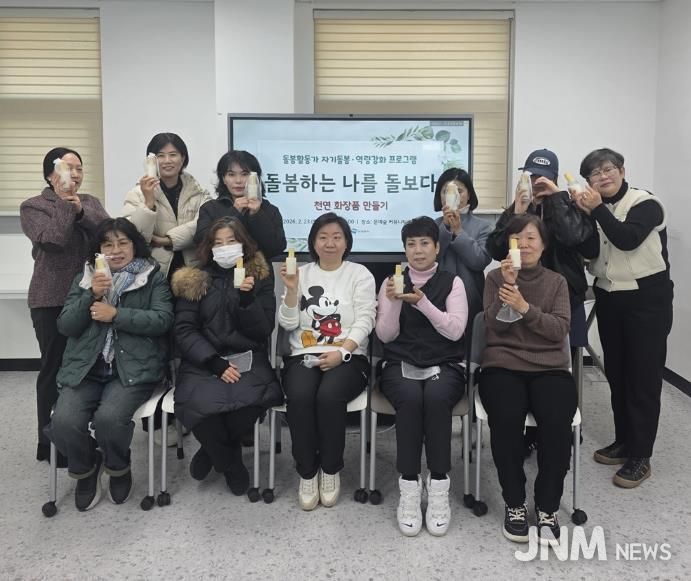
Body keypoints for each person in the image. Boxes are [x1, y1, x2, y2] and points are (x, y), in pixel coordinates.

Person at [46, 218, 173, 511]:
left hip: (132, 370)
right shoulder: (85, 278)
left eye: (122, 243)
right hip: (86, 369)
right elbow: (66, 325)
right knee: (63, 422)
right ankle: (87, 468)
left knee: (109, 419)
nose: (115, 251)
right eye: (108, 245)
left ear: (134, 246)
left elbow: (163, 320)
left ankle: (118, 468)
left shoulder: (152, 277)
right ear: (99, 250)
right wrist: (90, 295)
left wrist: (116, 314)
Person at [486, 149, 594, 456]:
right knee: (516, 370)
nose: (537, 182)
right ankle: (524, 432)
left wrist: (557, 198)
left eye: (543, 177)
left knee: (561, 361)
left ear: (554, 178)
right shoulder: (518, 209)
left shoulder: (568, 204)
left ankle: (556, 426)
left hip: (561, 294)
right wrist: (516, 211)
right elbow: (495, 249)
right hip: (517, 293)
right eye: (532, 175)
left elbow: (574, 238)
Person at [575, 148, 673, 489]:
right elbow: (591, 251)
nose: (603, 176)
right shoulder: (594, 209)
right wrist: (583, 217)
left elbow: (627, 239)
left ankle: (641, 455)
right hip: (609, 296)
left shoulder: (646, 203)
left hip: (647, 299)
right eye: (595, 173)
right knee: (617, 374)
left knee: (642, 378)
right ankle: (624, 441)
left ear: (621, 170)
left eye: (608, 169)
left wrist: (596, 210)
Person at [479, 213, 576, 545]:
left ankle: (547, 507)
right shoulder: (495, 278)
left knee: (557, 426)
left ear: (544, 244)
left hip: (550, 368)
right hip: (502, 365)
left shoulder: (557, 282)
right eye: (517, 238)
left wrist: (524, 307)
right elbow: (493, 326)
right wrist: (509, 288)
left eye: (531, 237)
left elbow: (558, 330)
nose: (524, 244)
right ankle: (515, 503)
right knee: (506, 422)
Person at [171, 217, 282, 495]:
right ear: (209, 248)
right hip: (203, 361)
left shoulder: (259, 276)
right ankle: (229, 462)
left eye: (231, 241)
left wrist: (247, 300)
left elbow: (263, 331)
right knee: (198, 405)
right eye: (218, 243)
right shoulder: (194, 279)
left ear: (243, 244)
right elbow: (184, 330)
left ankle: (211, 450)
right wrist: (213, 362)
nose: (225, 247)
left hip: (248, 356)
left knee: (252, 401)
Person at [375, 216, 468, 537]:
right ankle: (410, 485)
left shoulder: (453, 283)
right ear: (404, 249)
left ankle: (439, 484)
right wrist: (393, 303)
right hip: (399, 362)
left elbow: (455, 331)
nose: (417, 250)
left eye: (424, 243)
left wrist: (423, 303)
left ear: (437, 247)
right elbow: (385, 336)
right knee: (411, 398)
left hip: (445, 362)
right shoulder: (392, 282)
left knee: (438, 397)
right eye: (411, 244)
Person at [278, 212, 375, 511]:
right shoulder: (300, 273)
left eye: (336, 237)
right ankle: (307, 472)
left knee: (329, 396)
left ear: (346, 242)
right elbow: (287, 323)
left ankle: (330, 469)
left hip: (349, 356)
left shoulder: (360, 274)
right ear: (313, 242)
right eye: (323, 237)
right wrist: (291, 290)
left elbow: (366, 319)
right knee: (300, 395)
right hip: (303, 354)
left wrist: (342, 352)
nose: (329, 243)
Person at [20, 147, 109, 466]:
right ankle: (48, 442)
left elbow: (107, 235)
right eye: (66, 168)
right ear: (50, 175)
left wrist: (80, 210)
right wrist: (63, 203)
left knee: (87, 367)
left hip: (89, 295)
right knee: (53, 368)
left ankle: (80, 433)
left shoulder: (90, 202)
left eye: (79, 168)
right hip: (51, 299)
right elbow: (53, 240)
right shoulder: (33, 206)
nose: (74, 174)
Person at [122, 132, 212, 278]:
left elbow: (204, 226)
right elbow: (134, 235)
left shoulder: (199, 193)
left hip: (193, 273)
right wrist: (148, 202)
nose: (167, 161)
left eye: (173, 155)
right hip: (152, 274)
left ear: (183, 158)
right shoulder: (137, 194)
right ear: (151, 161)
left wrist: (167, 240)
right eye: (160, 155)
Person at [194, 150, 286, 260]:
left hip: (257, 270)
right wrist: (234, 212)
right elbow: (201, 242)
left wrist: (256, 215)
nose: (238, 180)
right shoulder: (210, 208)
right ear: (223, 179)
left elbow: (276, 248)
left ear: (256, 178)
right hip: (219, 270)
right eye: (231, 174)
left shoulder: (270, 210)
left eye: (245, 174)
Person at [434, 168, 492, 326]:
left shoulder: (483, 226)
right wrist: (445, 228)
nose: (452, 196)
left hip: (471, 298)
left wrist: (458, 231)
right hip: (436, 299)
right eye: (445, 191)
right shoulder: (433, 226)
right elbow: (430, 259)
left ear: (469, 194)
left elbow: (479, 261)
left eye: (459, 191)